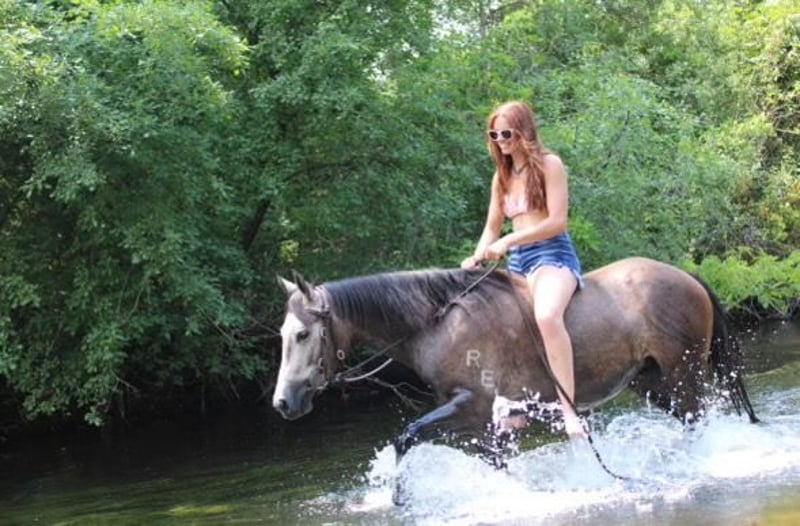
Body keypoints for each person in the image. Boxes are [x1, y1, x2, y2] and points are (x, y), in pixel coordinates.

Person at [461, 100, 586, 438]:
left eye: (507, 133)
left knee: (547, 316)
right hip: (518, 262)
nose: (500, 140)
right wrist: (476, 257)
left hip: (551, 255)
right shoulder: (501, 177)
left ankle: (570, 411)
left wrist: (509, 240)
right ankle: (514, 402)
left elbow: (557, 222)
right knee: (487, 322)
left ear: (523, 132)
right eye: (494, 134)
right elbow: (492, 227)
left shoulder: (549, 165)